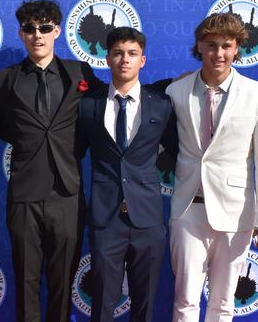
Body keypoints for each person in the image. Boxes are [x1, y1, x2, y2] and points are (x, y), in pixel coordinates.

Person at [165, 13, 258, 322]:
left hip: (236, 212)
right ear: (199, 47)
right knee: (184, 300)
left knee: (223, 303)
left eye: (226, 46)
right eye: (211, 45)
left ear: (236, 48)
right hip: (187, 209)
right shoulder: (176, 92)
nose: (219, 53)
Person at [0, 0, 102, 322]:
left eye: (43, 28)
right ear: (21, 34)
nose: (37, 35)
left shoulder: (79, 73)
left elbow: (105, 108)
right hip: (25, 194)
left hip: (67, 194)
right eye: (29, 29)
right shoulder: (5, 80)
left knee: (62, 283)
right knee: (26, 282)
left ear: (56, 30)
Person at [76, 27, 176, 322]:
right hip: (106, 219)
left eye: (132, 54)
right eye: (118, 53)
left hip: (148, 218)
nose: (125, 60)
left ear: (142, 61)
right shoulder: (88, 105)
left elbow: (185, 152)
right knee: (103, 303)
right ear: (107, 58)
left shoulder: (162, 104)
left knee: (144, 305)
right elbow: (72, 153)